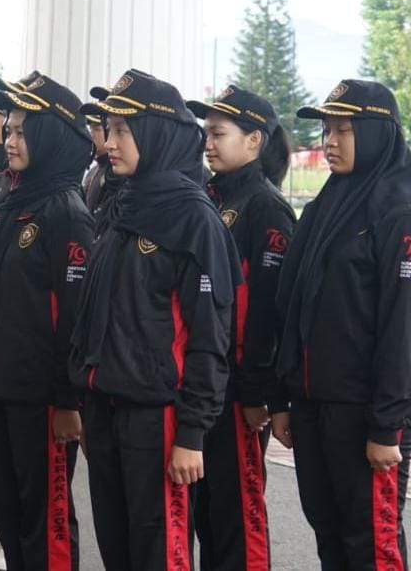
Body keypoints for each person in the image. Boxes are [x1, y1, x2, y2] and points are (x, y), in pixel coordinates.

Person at [69, 69, 239, 571]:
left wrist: (192, 433)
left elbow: (211, 335)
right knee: (118, 549)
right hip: (106, 408)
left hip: (158, 417)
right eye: (111, 130)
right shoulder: (122, 206)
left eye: (124, 130)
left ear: (158, 134)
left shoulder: (193, 219)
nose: (111, 142)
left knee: (159, 553)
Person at [275, 79, 411, 570]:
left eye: (343, 130)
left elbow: (401, 329)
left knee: (371, 544)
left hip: (365, 414)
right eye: (327, 129)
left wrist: (387, 426)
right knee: (328, 532)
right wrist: (284, 397)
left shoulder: (397, 209)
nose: (329, 141)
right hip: (314, 405)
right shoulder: (328, 206)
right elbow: (294, 304)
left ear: (376, 133)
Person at [0, 73, 94, 571]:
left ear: (51, 138)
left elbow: (75, 320)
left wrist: (67, 400)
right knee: (7, 508)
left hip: (42, 398)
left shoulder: (67, 213)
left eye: (23, 131)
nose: (9, 138)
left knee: (47, 520)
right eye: (10, 128)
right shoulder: (14, 201)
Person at [186, 85, 296, 571]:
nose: (208, 143)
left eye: (218, 133)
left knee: (238, 517)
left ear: (254, 140)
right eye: (206, 133)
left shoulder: (265, 208)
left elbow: (268, 311)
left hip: (238, 390)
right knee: (204, 512)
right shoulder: (206, 196)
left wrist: (259, 391)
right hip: (199, 383)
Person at [82, 111, 123, 237]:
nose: (92, 135)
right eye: (90, 129)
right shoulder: (93, 171)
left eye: (97, 129)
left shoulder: (116, 175)